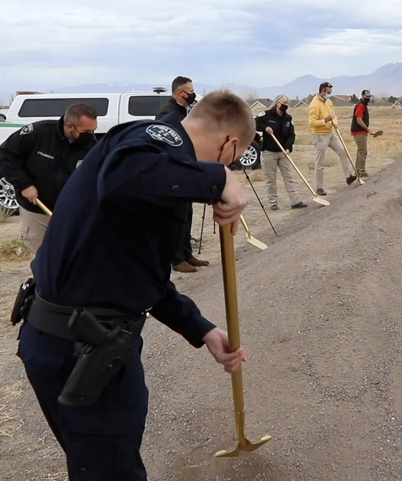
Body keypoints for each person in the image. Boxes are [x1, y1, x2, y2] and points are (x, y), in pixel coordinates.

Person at [15, 89, 254, 480]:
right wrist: (217, 177)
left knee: (96, 466)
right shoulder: (155, 144)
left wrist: (203, 330)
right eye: (235, 159)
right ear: (229, 144)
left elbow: (140, 273)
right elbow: (122, 179)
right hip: (85, 350)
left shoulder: (151, 155)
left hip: (61, 342)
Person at [0, 104, 98, 259]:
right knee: (41, 260)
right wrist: (24, 184)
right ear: (69, 126)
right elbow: (6, 155)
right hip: (37, 210)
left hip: (69, 213)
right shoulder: (39, 133)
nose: (90, 135)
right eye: (86, 132)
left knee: (69, 260)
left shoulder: (92, 147)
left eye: (93, 130)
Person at [156, 76, 207, 273]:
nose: (193, 94)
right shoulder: (168, 113)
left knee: (187, 213)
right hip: (172, 170)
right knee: (176, 216)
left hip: (186, 167)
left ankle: (186, 253)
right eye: (190, 91)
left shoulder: (184, 111)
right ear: (180, 93)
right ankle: (176, 259)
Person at [256, 95, 307, 210]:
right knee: (271, 179)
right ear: (277, 103)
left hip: (284, 152)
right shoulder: (266, 115)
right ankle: (273, 203)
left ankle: (295, 201)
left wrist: (288, 147)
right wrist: (265, 128)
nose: (285, 105)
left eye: (287, 103)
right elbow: (254, 124)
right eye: (284, 103)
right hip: (269, 152)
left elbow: (291, 135)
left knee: (289, 177)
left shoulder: (288, 118)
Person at [308, 82, 356, 195]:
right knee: (320, 162)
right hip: (320, 136)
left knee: (343, 151)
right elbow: (312, 123)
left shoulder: (329, 102)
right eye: (328, 93)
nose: (330, 95)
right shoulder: (314, 104)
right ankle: (319, 187)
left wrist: (335, 122)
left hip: (330, 133)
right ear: (323, 91)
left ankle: (348, 176)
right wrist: (325, 120)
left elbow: (333, 115)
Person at [351, 89, 376, 178]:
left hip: (361, 131)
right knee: (362, 151)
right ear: (362, 96)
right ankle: (360, 171)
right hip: (359, 131)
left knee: (361, 151)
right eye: (366, 96)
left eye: (369, 96)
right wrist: (368, 129)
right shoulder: (361, 106)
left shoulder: (363, 105)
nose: (368, 98)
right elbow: (359, 120)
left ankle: (359, 170)